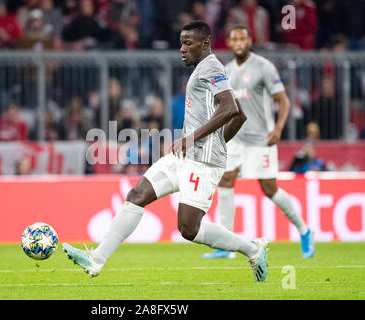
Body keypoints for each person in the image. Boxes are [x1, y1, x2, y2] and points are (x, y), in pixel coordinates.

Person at [63, 21, 269, 282]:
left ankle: (253, 248)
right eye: (181, 43)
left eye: (188, 43)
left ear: (205, 43)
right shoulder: (204, 69)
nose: (182, 49)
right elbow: (239, 114)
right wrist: (214, 141)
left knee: (188, 228)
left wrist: (196, 140)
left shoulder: (212, 67)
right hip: (186, 156)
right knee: (137, 194)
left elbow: (229, 108)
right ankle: (96, 259)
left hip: (202, 162)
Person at [202, 26, 315, 260]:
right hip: (235, 138)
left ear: (250, 40)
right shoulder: (227, 70)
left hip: (260, 139)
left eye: (243, 37)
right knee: (225, 180)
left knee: (269, 188)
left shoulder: (264, 66)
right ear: (230, 43)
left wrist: (278, 128)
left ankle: (304, 230)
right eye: (234, 38)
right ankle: (226, 244)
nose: (239, 42)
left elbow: (283, 100)